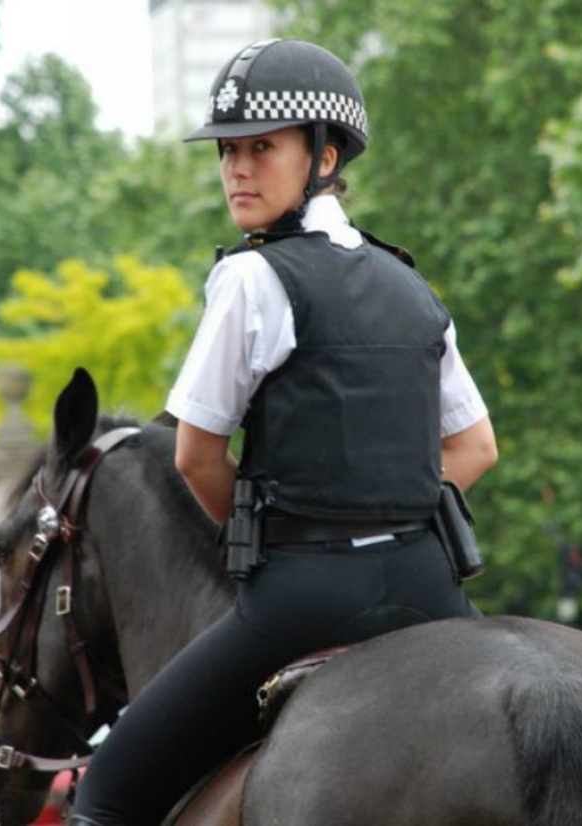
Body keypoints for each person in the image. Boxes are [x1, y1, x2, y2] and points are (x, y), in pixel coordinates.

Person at [71, 38, 497, 825]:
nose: (235, 168)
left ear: (324, 154)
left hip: (303, 595)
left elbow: (196, 457)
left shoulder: (251, 276)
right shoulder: (409, 282)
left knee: (104, 792)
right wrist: (399, 509)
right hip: (425, 587)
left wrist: (264, 534)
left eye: (259, 148)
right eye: (228, 151)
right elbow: (476, 448)